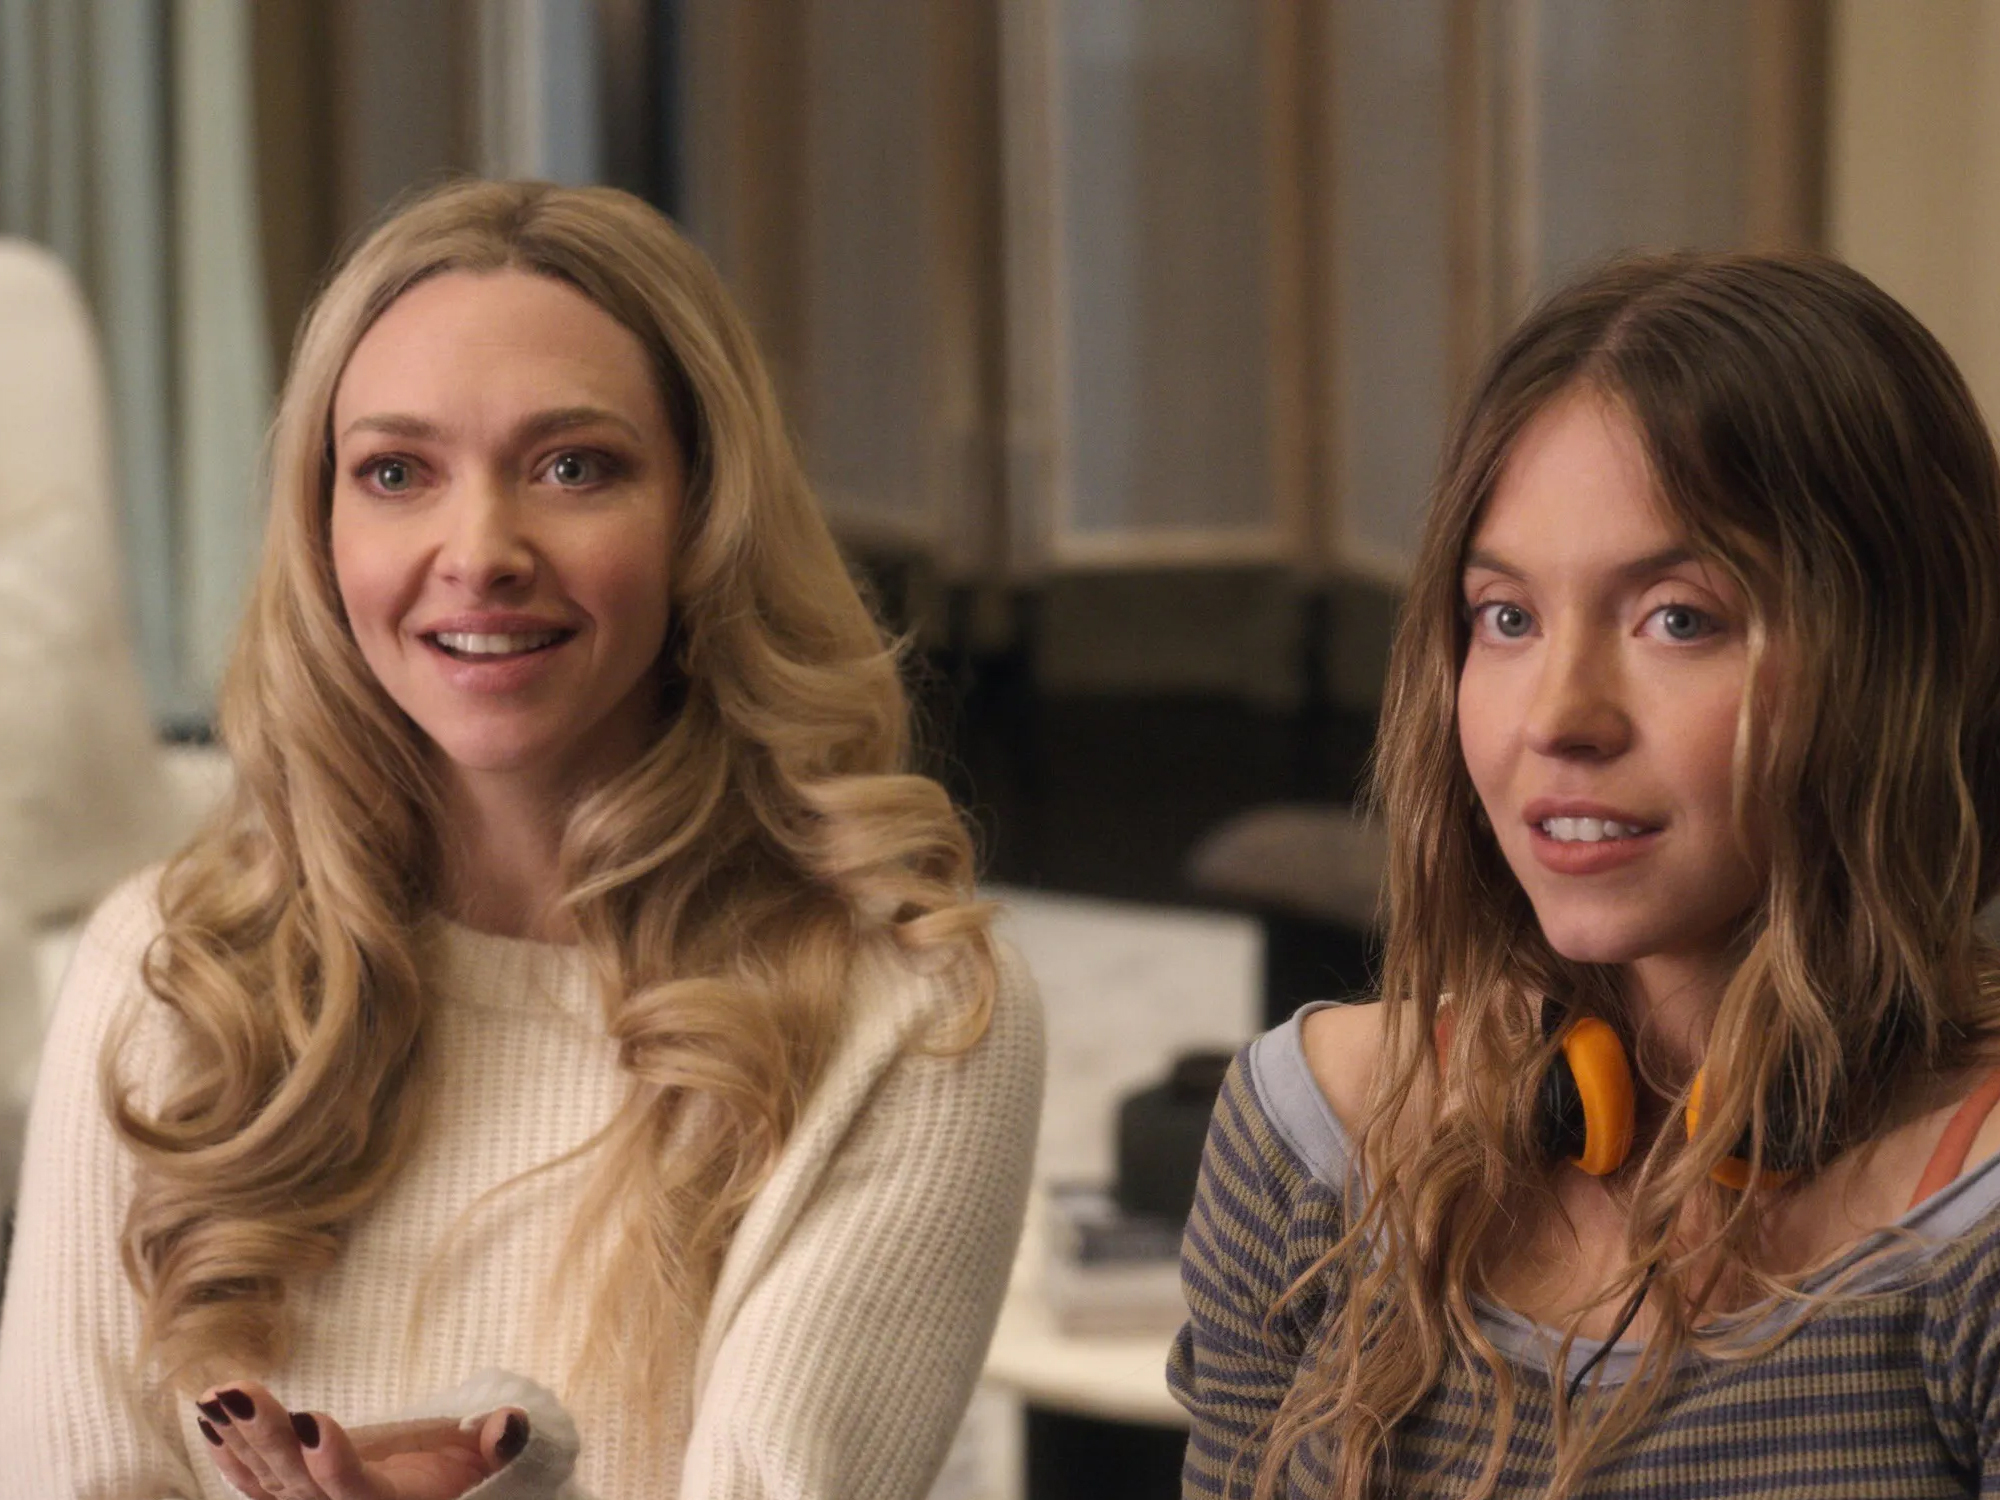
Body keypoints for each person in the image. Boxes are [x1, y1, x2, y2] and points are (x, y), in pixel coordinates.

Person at [0, 178, 1044, 1500]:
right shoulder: (161, 970)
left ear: (702, 521)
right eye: (396, 472)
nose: (479, 549)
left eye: (574, 466)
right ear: (324, 536)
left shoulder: (918, 1014)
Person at [1171, 250, 2000, 1498]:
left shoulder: (1970, 1237)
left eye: (1678, 617)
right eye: (1505, 617)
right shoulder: (1306, 1143)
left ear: (1899, 667)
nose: (1558, 717)